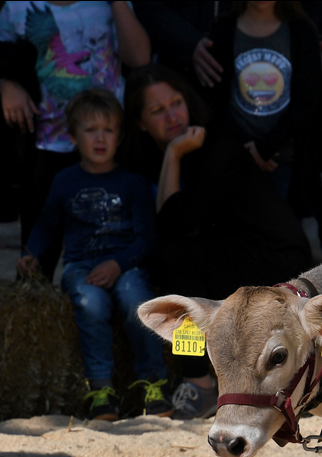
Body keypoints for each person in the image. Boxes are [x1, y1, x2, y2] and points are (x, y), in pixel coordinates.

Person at [125, 64, 311, 418]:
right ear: (140, 122)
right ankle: (198, 379)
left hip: (276, 258)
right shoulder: (149, 157)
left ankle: (199, 383)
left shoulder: (216, 146)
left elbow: (174, 225)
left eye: (176, 103)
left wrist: (174, 154)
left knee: (170, 257)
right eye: (158, 110)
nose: (172, 115)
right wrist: (172, 155)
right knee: (173, 258)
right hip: (235, 252)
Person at [18, 89, 169, 420]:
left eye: (108, 130)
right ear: (73, 136)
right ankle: (101, 390)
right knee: (91, 305)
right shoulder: (64, 181)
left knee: (137, 304)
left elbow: (147, 239)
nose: (100, 138)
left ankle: (152, 384)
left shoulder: (133, 183)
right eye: (90, 130)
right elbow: (47, 224)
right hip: (81, 267)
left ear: (120, 136)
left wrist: (118, 265)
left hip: (126, 263)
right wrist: (32, 252)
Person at [0, 0, 150, 278]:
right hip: (45, 144)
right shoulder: (17, 7)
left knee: (113, 242)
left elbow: (139, 58)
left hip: (108, 143)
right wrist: (6, 83)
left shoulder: (112, 5)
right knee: (37, 250)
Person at [203, 1, 322, 210]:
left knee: (280, 233)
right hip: (234, 157)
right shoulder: (223, 29)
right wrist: (247, 150)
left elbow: (306, 101)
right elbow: (215, 101)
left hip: (282, 161)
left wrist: (264, 149)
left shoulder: (301, 31)